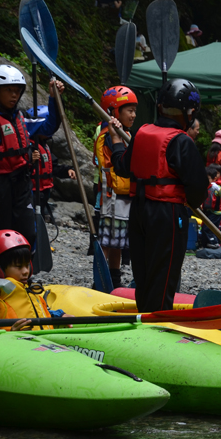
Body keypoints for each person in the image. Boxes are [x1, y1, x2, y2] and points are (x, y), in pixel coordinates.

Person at [110, 78, 209, 312]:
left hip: (139, 213)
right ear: (188, 113)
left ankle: (145, 316)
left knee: (143, 275)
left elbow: (122, 167)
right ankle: (158, 325)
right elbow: (198, 190)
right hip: (167, 215)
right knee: (163, 278)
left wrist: (116, 142)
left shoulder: (143, 133)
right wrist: (191, 201)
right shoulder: (182, 142)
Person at [0, 66, 64, 254]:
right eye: (8, 90)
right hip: (1, 187)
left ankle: (24, 272)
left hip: (23, 184)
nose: (14, 95)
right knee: (1, 234)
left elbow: (49, 127)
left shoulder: (22, 119)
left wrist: (54, 98)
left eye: (17, 91)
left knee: (28, 232)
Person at [0, 230, 68, 330]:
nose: (26, 271)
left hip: (42, 344)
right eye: (18, 266)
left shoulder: (29, 290)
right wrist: (10, 334)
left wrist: (60, 315)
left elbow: (40, 312)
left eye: (27, 265)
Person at [95, 86, 137, 288]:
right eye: (129, 110)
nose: (133, 115)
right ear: (114, 112)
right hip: (112, 197)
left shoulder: (122, 134)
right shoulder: (110, 135)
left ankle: (114, 280)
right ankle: (101, 281)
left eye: (134, 110)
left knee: (117, 243)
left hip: (123, 196)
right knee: (107, 242)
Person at [26, 106, 76, 223]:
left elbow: (53, 167)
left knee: (40, 219)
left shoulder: (44, 145)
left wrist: (67, 170)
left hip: (44, 192)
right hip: (31, 192)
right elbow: (20, 168)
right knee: (30, 221)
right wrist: (30, 160)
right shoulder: (28, 146)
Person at [200, 164, 221, 248]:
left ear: (214, 179)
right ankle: (205, 243)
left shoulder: (216, 187)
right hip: (207, 211)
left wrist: (220, 191)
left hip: (216, 212)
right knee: (204, 227)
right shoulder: (204, 186)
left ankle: (214, 243)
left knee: (208, 228)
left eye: (208, 179)